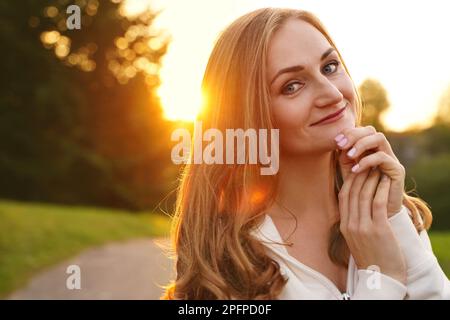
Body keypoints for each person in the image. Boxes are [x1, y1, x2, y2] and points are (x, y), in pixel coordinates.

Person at [162, 7, 450, 300]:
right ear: (250, 115)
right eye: (292, 86)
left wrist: (392, 218)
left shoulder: (389, 213)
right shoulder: (229, 257)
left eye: (330, 67)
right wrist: (381, 280)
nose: (333, 94)